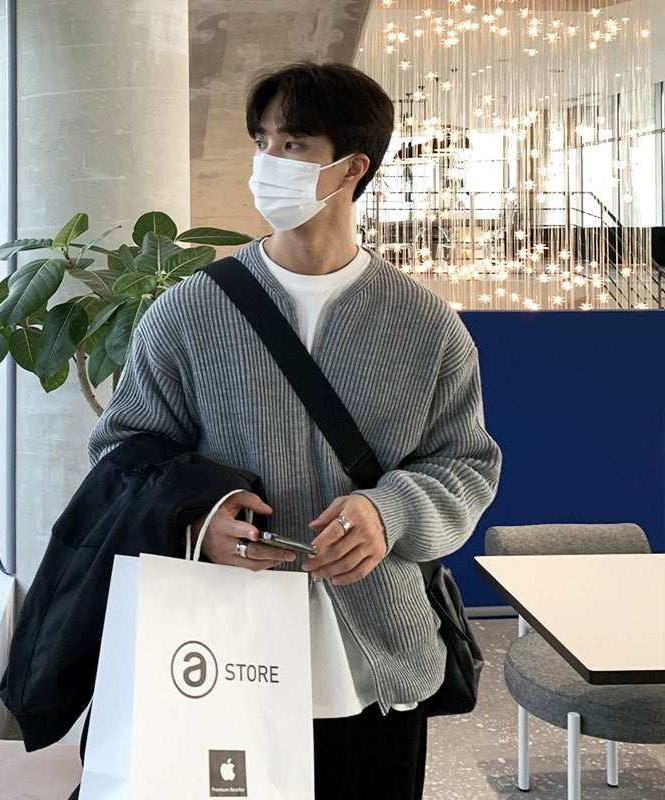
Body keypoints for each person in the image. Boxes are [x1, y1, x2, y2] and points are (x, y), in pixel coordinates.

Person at [88, 61, 502, 800]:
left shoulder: (426, 326)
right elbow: (123, 450)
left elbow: (465, 465)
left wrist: (389, 512)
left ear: (353, 167)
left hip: (374, 669)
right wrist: (198, 519)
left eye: (294, 144)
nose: (268, 163)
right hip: (217, 659)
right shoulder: (189, 311)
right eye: (262, 142)